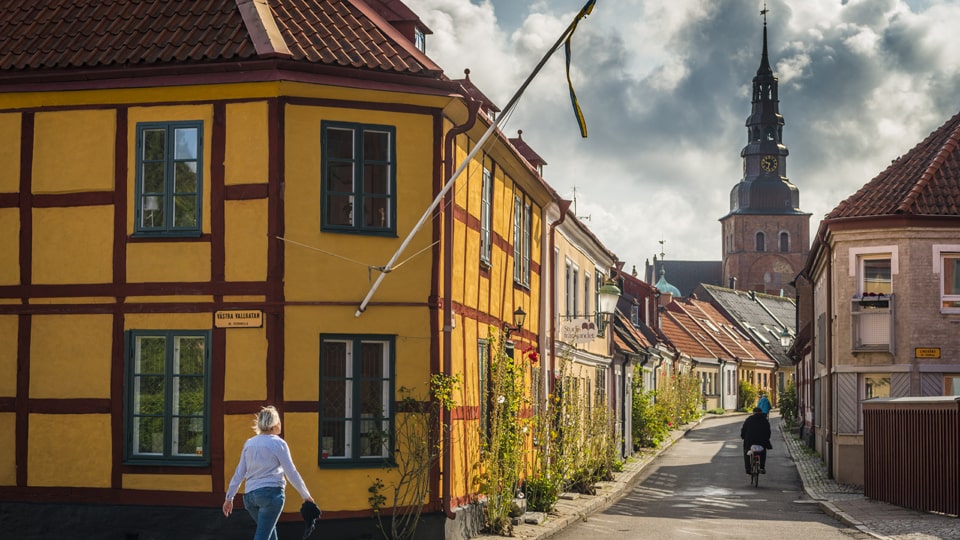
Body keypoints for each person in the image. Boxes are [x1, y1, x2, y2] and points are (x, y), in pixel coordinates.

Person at [223, 406, 315, 540]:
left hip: (249, 498)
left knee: (269, 533)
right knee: (262, 536)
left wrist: (229, 498)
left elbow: (239, 472)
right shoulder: (278, 444)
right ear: (275, 423)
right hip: (271, 495)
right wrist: (306, 495)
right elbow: (291, 472)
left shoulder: (249, 443)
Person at [740, 406, 771, 474]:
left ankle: (748, 469)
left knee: (747, 452)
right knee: (763, 451)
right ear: (761, 412)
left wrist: (743, 436)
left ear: (753, 413)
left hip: (750, 441)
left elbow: (744, 429)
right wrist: (767, 438)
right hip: (761, 441)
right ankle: (762, 467)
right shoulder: (764, 420)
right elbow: (768, 431)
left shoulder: (749, 419)